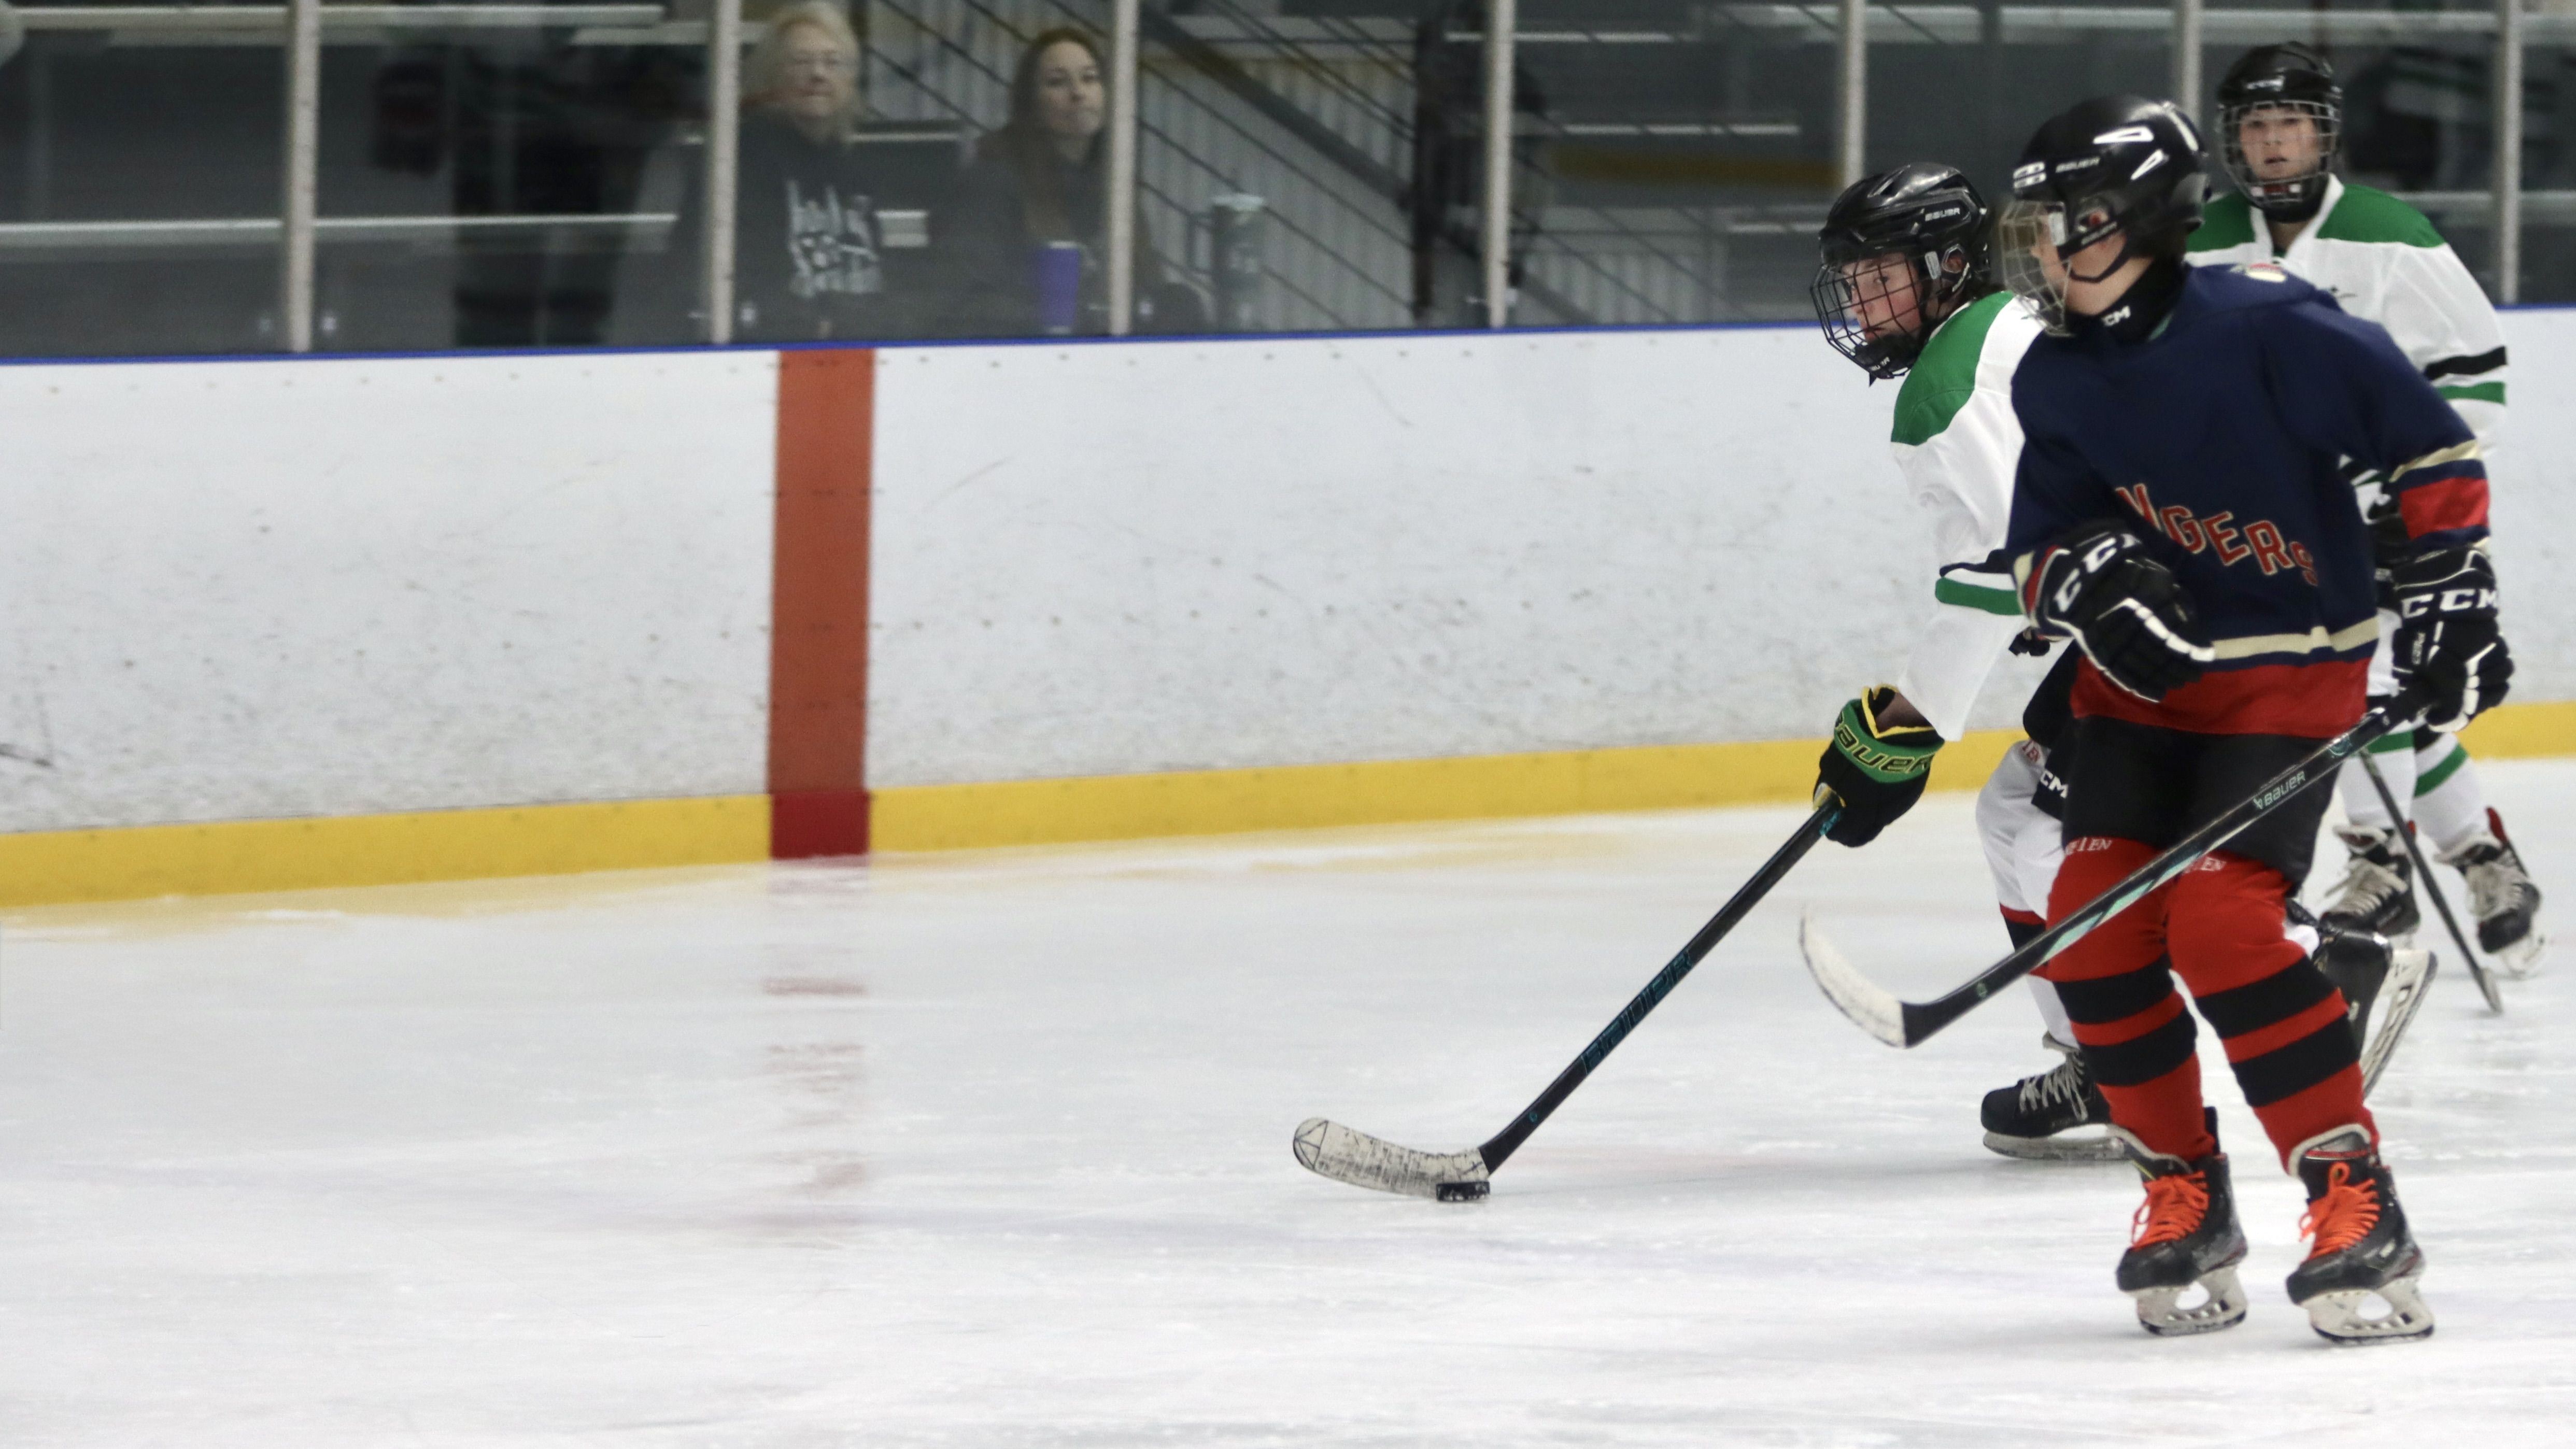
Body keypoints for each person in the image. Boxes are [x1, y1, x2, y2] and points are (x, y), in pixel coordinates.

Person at [1995, 94, 2510, 1342]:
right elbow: (2036, 544)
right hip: (2141, 699)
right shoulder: (2055, 371)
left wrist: (2453, 594)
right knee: (2089, 926)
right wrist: (2083, 583)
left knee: (2223, 923)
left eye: (2064, 220)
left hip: (2286, 680)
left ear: (2135, 220)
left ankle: (2350, 1194)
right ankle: (2184, 1189)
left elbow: (2429, 447)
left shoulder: (2268, 322)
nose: (2041, 247)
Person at [2188, 42, 2544, 978]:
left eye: (2290, 125)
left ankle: (2383, 865)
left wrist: (2407, 487)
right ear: (2233, 139)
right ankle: (2484, 857)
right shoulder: (2201, 240)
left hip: (2392, 523)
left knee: (2369, 688)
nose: (2273, 145)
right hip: (2267, 532)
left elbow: (2475, 384)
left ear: (2324, 134)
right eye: (2256, 127)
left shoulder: (2392, 236)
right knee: (2371, 699)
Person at [1807, 165, 2116, 1161]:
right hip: (2180, 590)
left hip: (2189, 608)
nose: (1860, 303)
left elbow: (1994, 579)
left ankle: (2316, 969)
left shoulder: (1950, 381)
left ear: (1945, 265)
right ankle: (2101, 1064)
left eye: (1879, 277)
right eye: (1852, 282)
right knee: (2023, 813)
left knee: (2058, 835)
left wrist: (1902, 733)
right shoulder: (2005, 327)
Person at [668, 0, 919, 342]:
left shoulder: (854, 169)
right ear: (772, 77)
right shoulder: (738, 162)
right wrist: (812, 323)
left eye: (833, 62)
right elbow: (718, 283)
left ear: (850, 81)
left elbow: (878, 279)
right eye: (802, 61)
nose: (819, 75)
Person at [945, 27, 1204, 335]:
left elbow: (1146, 283)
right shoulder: (994, 178)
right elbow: (968, 297)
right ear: (1032, 104)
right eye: (1058, 82)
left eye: (1090, 78)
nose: (1078, 93)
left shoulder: (1114, 180)